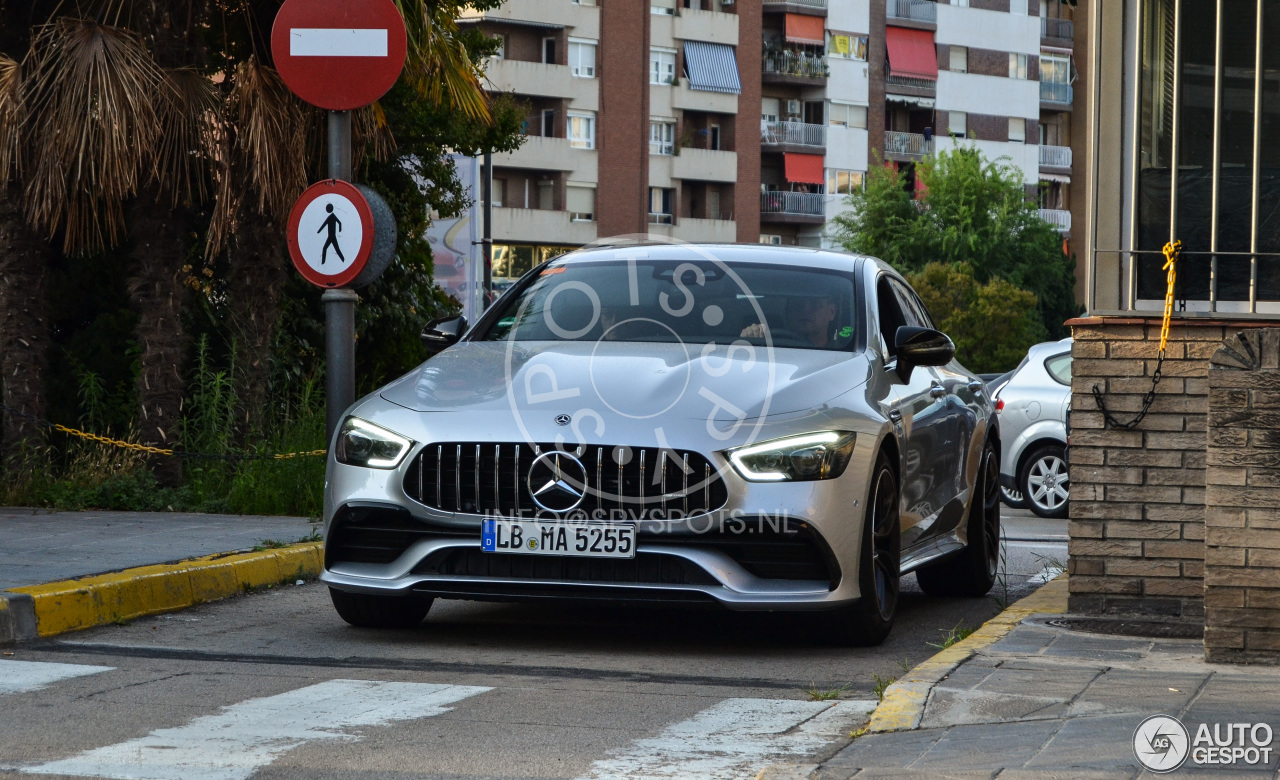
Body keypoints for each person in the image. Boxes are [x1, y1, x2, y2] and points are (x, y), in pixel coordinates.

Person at [741, 294, 838, 348]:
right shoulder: (766, 347)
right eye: (797, 305)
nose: (805, 310)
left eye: (815, 305)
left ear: (831, 312)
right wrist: (748, 340)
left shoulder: (843, 355)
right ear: (787, 311)